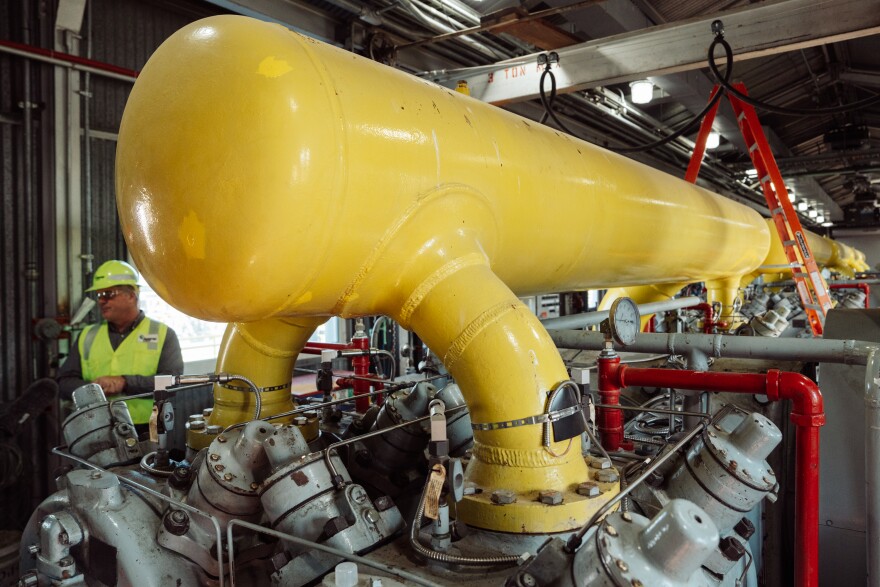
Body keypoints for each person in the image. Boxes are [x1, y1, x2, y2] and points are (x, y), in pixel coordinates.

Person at [57, 260, 184, 426]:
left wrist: (125, 383)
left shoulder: (163, 334)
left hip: (145, 429)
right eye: (99, 295)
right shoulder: (88, 335)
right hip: (95, 427)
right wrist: (92, 389)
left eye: (108, 294)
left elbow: (172, 382)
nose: (101, 301)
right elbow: (63, 383)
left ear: (131, 296)